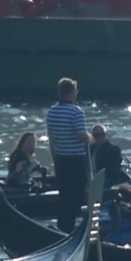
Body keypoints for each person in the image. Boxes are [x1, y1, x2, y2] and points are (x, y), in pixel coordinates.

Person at [46, 78, 90, 232]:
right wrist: (90, 137)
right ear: (72, 92)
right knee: (76, 195)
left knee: (64, 195)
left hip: (60, 159)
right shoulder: (76, 111)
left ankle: (63, 226)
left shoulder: (51, 111)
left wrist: (55, 158)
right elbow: (81, 135)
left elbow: (51, 138)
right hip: (76, 160)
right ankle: (70, 228)